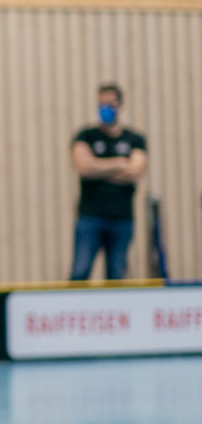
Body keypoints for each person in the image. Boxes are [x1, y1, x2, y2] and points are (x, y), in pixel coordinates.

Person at [69, 84, 147, 281]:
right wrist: (119, 163)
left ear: (119, 105)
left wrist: (98, 167)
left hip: (121, 218)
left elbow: (134, 171)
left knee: (116, 274)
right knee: (80, 271)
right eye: (101, 104)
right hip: (90, 216)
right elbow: (83, 168)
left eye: (109, 104)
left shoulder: (134, 139)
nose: (105, 108)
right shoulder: (86, 136)